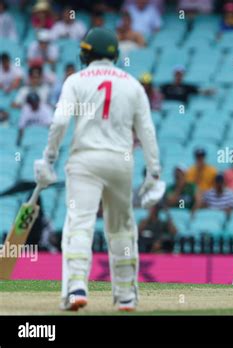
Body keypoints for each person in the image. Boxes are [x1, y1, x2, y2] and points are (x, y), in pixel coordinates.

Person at [33, 28, 164, 312]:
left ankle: (77, 287)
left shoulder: (76, 80)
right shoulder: (132, 84)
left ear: (86, 53)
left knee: (79, 223)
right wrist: (154, 174)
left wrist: (49, 159)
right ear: (115, 55)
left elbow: (58, 122)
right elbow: (147, 132)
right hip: (121, 162)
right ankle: (126, 295)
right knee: (122, 229)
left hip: (85, 161)